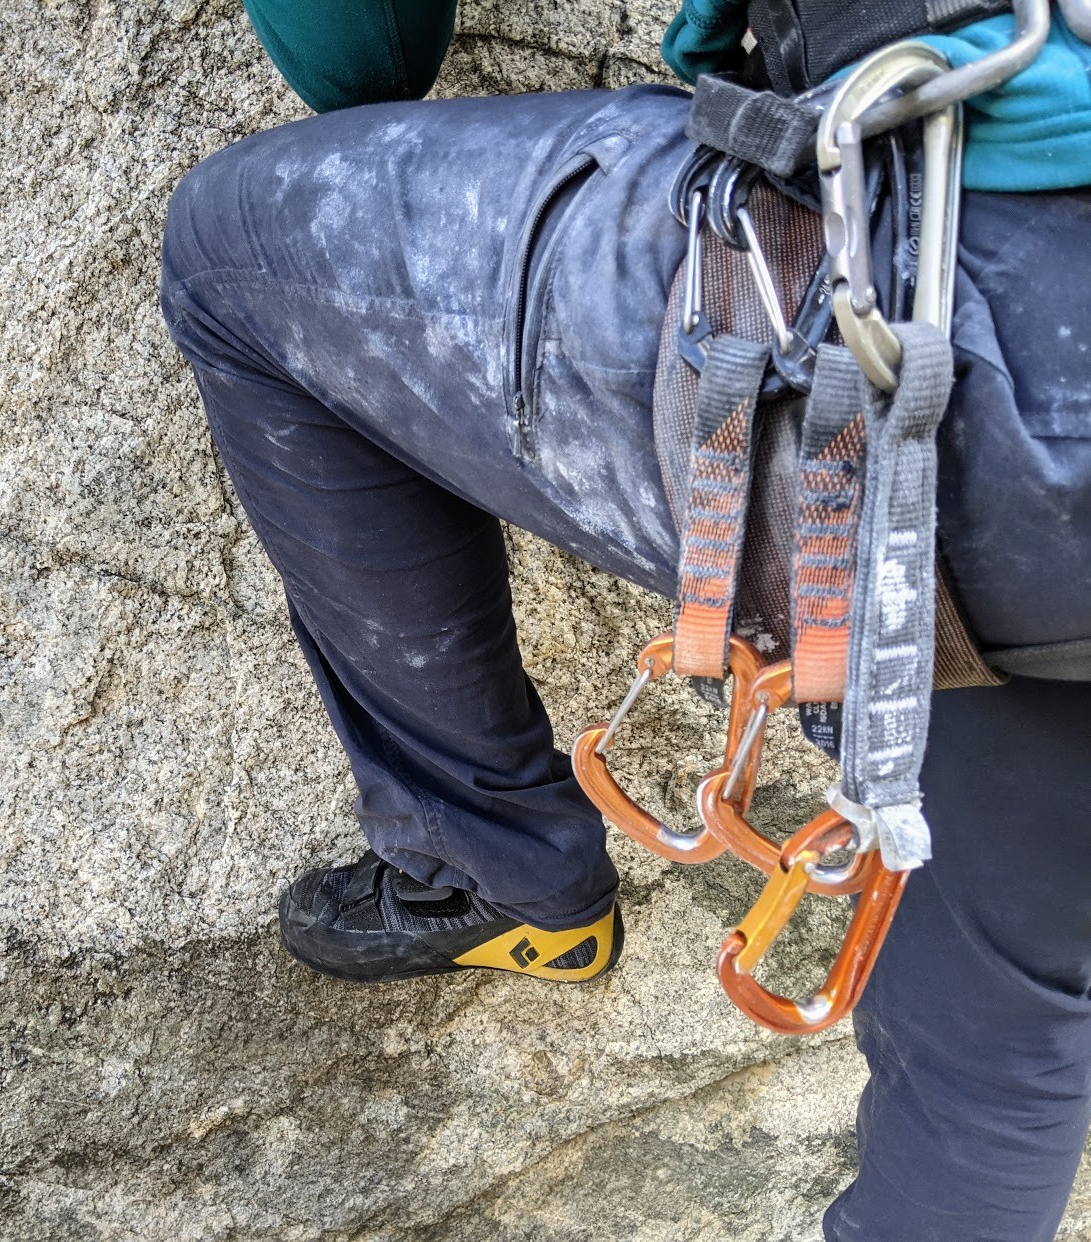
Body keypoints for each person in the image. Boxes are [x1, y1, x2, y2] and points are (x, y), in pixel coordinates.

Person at [159, 2, 1091, 1237]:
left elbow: (358, 44)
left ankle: (488, 859)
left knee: (230, 252)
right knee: (996, 1041)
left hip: (1004, 334)